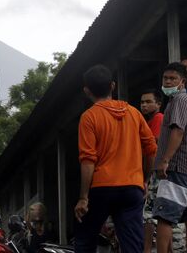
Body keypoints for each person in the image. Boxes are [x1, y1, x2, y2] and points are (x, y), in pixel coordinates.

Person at [74, 65, 157, 252]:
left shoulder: (89, 117)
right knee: (132, 246)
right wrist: (144, 180)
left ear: (87, 90)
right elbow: (151, 149)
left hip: (102, 188)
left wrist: (83, 198)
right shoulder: (134, 113)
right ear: (112, 86)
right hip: (132, 188)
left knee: (85, 239)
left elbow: (88, 160)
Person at [154, 62, 187, 253]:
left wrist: (165, 160)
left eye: (172, 78)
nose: (168, 82)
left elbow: (178, 131)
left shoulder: (180, 100)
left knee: (165, 218)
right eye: (165, 78)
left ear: (182, 81)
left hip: (178, 167)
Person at [139, 89, 164, 253]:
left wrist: (147, 179)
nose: (144, 105)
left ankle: (146, 250)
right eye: (142, 102)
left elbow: (153, 150)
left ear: (158, 104)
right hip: (153, 173)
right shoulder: (148, 122)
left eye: (148, 102)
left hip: (155, 173)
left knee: (148, 215)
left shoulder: (158, 118)